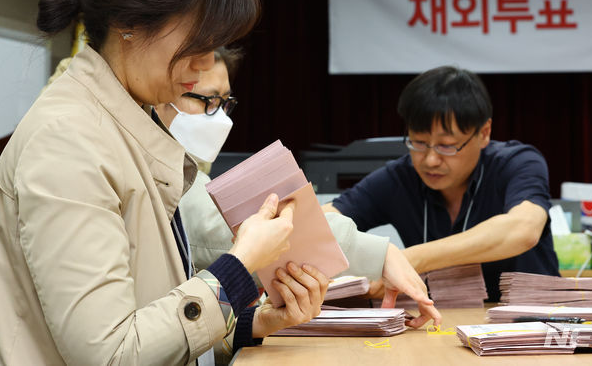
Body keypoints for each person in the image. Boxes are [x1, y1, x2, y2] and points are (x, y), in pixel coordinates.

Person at [0, 0, 328, 364]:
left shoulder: (128, 117)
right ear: (130, 20)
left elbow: (147, 316)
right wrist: (237, 271)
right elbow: (110, 353)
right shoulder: (67, 139)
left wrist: (252, 322)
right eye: (198, 43)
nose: (206, 66)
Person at [151, 47, 441, 337]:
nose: (222, 117)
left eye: (226, 102)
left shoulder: (183, 164)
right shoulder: (162, 169)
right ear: (162, 94)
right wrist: (379, 254)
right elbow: (219, 228)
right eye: (210, 100)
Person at [324, 66, 560, 301]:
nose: (430, 160)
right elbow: (323, 222)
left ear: (484, 133)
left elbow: (523, 229)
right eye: (418, 142)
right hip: (441, 324)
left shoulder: (517, 163)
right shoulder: (400, 176)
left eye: (447, 146)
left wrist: (404, 259)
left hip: (533, 323)